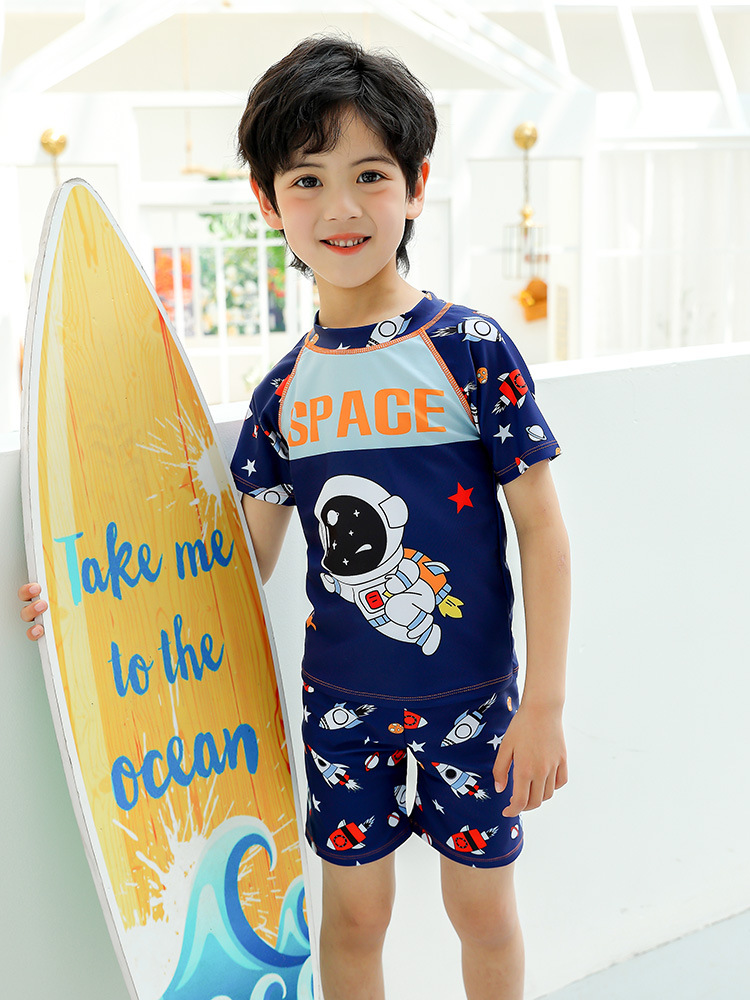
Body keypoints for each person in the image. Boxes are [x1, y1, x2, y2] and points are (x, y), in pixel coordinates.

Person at [20, 35, 570, 1000]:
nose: (341, 208)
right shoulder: (283, 393)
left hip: (476, 705)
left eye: (370, 175)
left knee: (483, 914)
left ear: (417, 185)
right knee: (351, 921)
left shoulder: (473, 350)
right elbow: (234, 567)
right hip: (340, 709)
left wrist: (546, 708)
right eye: (307, 181)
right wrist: (84, 611)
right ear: (269, 203)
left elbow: (543, 531)